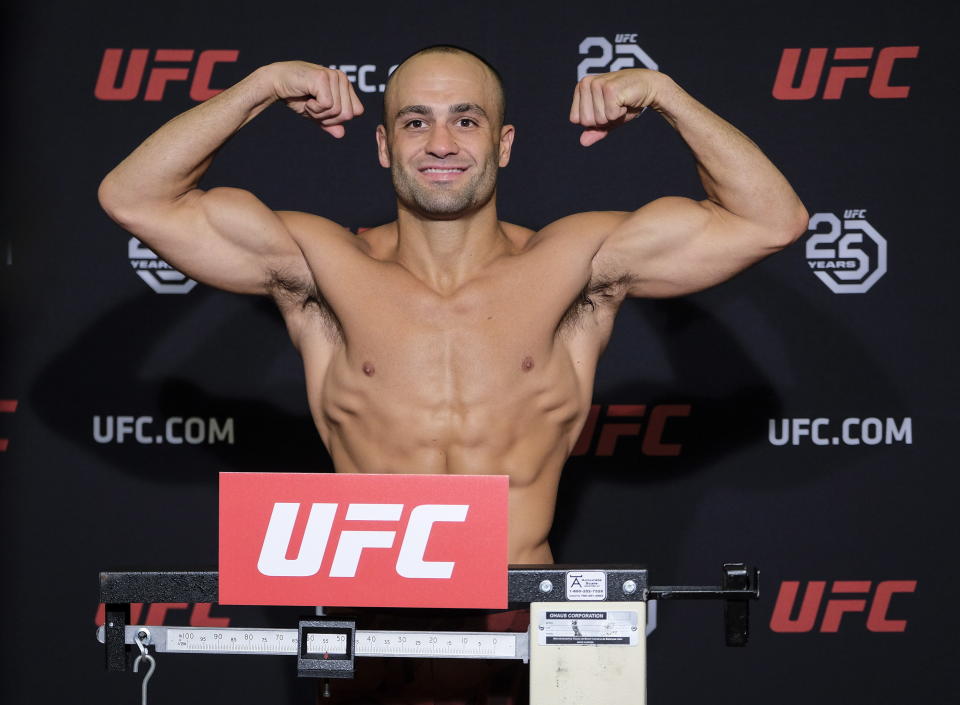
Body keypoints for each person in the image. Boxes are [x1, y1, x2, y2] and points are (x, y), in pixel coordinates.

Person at [99, 44, 806, 703]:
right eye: (416, 122)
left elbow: (771, 219)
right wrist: (262, 86)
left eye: (466, 120)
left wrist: (663, 93)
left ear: (502, 143)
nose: (441, 144)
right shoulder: (320, 264)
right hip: (368, 625)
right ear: (383, 145)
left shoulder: (575, 262)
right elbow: (136, 197)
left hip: (525, 622)